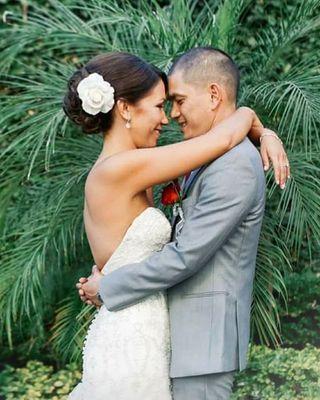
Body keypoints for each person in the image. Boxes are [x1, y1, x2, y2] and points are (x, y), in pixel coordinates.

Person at [70, 49, 289, 399]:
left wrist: (259, 129)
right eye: (161, 105)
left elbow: (185, 251)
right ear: (124, 108)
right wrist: (251, 119)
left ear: (213, 95)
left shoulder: (181, 164)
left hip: (178, 336)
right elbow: (220, 139)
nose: (169, 117)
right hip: (137, 332)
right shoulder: (123, 168)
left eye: (175, 101)